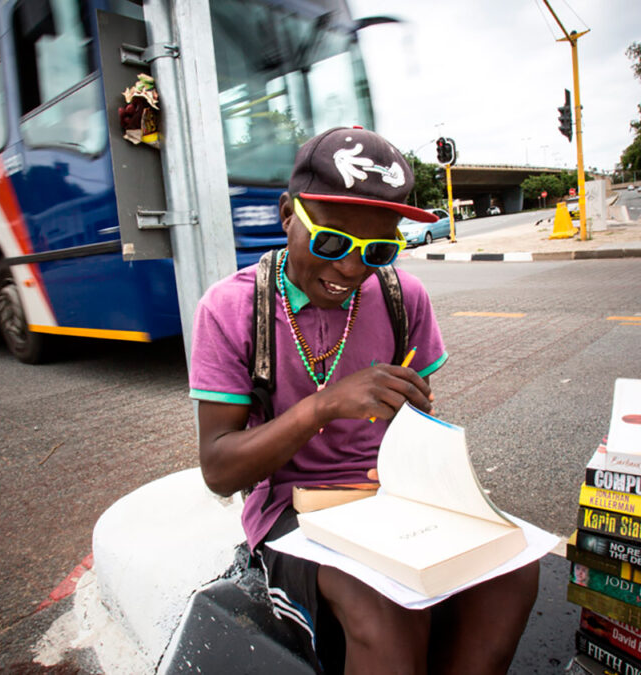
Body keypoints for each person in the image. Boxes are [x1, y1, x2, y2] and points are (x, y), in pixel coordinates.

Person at [189, 127, 541, 674]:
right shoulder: (232, 309)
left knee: (511, 568)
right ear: (288, 215)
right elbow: (218, 469)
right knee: (386, 605)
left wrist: (427, 440)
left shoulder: (403, 297)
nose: (351, 269)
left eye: (379, 249)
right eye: (332, 242)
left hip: (396, 499)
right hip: (296, 510)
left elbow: (416, 422)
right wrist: (323, 406)